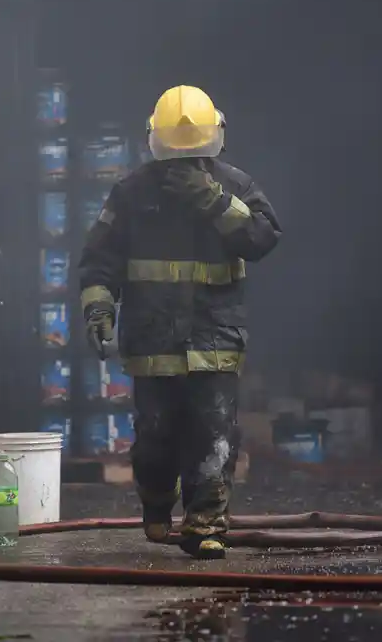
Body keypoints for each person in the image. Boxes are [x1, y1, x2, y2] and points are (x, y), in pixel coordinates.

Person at [77, 85, 282, 559]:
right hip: (153, 338)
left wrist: (214, 201)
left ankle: (206, 525)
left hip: (215, 335)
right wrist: (99, 307)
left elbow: (263, 239)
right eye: (175, 157)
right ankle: (155, 505)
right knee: (155, 437)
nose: (183, 165)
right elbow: (98, 261)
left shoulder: (235, 186)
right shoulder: (131, 194)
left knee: (214, 432)